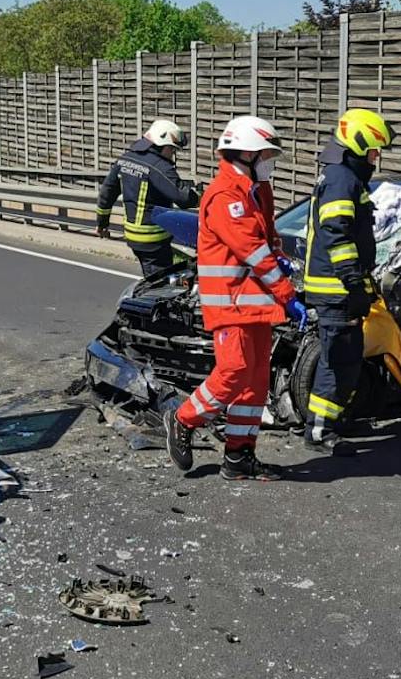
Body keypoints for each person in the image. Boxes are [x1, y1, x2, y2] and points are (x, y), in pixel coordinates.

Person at [164, 116, 308, 481]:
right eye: (267, 154)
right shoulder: (226, 195)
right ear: (246, 153)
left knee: (256, 382)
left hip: (256, 303)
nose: (271, 160)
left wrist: (281, 260)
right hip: (230, 302)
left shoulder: (259, 190)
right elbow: (253, 252)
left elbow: (269, 241)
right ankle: (183, 419)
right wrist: (288, 295)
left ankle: (239, 456)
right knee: (232, 373)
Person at [301, 108, 394, 456]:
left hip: (340, 287)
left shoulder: (343, 177)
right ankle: (320, 429)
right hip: (336, 289)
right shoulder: (342, 179)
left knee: (346, 358)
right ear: (357, 146)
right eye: (373, 151)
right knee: (338, 359)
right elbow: (337, 235)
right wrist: (354, 283)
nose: (376, 158)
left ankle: (330, 421)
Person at [96, 119, 200, 276]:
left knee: (153, 278)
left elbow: (106, 194)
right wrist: (200, 196)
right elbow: (183, 198)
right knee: (160, 287)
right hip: (153, 239)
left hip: (134, 238)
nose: (172, 155)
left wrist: (102, 223)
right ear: (161, 144)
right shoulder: (158, 167)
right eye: (171, 150)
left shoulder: (125, 159)